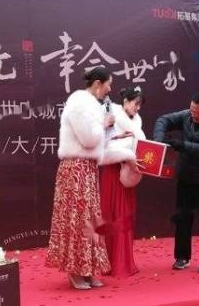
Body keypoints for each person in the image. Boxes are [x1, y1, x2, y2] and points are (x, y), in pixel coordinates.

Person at [45, 67, 113, 290]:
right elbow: (88, 138)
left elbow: (97, 140)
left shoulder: (93, 104)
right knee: (77, 218)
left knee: (90, 219)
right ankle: (75, 271)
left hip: (88, 169)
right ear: (98, 83)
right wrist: (103, 124)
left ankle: (88, 268)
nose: (110, 89)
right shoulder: (78, 101)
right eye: (108, 84)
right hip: (75, 168)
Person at [153, 92, 199, 274]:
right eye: (191, 110)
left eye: (196, 112)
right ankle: (182, 257)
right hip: (185, 178)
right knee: (182, 218)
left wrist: (182, 145)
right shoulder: (188, 115)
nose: (192, 114)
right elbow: (163, 120)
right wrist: (159, 142)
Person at [98, 86, 147, 276]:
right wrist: (126, 153)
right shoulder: (110, 113)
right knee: (113, 215)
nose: (138, 108)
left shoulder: (136, 120)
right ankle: (111, 263)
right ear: (126, 101)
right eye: (136, 103)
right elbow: (103, 146)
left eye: (140, 105)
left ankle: (123, 262)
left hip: (128, 173)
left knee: (125, 215)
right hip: (112, 172)